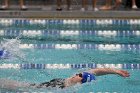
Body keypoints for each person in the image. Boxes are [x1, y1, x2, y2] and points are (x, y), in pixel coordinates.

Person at [0, 68, 130, 90]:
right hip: (31, 85)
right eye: (79, 73)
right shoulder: (69, 81)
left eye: (79, 76)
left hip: (27, 88)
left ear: (81, 81)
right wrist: (116, 71)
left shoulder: (66, 88)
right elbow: (96, 71)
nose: (77, 75)